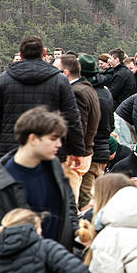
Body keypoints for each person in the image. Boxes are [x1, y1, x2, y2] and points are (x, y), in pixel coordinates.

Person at [0, 36, 86, 173]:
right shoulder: (60, 80)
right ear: (44, 53)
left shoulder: (4, 79)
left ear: (20, 55)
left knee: (14, 192)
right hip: (50, 151)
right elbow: (72, 119)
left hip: (11, 150)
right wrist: (77, 150)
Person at [0, 107, 78, 250]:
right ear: (33, 139)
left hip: (61, 259)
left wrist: (75, 235)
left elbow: (69, 204)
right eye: (53, 139)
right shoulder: (1, 184)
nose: (59, 144)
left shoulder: (54, 166)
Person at [57, 54, 100, 206]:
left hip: (74, 155)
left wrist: (75, 152)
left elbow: (78, 127)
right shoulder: (88, 89)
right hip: (84, 151)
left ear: (65, 73)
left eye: (56, 70)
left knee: (70, 201)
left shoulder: (76, 92)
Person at [77, 54, 114, 209]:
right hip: (103, 150)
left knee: (86, 202)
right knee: (98, 198)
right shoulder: (105, 92)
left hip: (90, 152)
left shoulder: (83, 93)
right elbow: (111, 125)